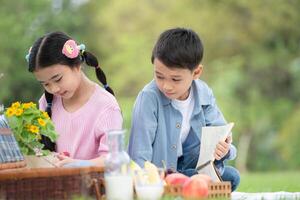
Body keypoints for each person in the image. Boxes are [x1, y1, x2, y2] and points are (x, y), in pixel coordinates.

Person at [128, 28, 240, 191]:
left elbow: (223, 135)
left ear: (196, 72)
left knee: (231, 177)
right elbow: (139, 154)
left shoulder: (203, 94)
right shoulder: (149, 98)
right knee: (194, 183)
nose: (166, 85)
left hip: (191, 170)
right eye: (159, 76)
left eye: (175, 79)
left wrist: (225, 149)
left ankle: (190, 186)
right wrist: (144, 186)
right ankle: (188, 188)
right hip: (160, 175)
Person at [26, 31, 123, 167]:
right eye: (46, 84)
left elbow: (113, 159)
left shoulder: (106, 106)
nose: (54, 89)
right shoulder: (46, 102)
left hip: (93, 185)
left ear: (77, 65)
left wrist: (76, 164)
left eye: (58, 79)